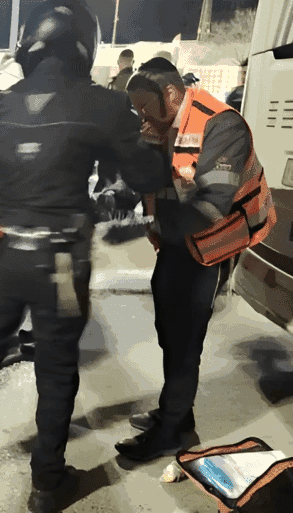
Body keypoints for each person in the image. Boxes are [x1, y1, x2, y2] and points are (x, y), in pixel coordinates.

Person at [0, 2, 173, 511]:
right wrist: (152, 140)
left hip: (0, 251)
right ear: (84, 46)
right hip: (60, 259)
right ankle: (46, 482)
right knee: (56, 366)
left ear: (29, 45)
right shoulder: (102, 103)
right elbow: (146, 176)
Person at [114, 57, 274, 462]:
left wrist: (140, 226)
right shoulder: (164, 124)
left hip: (212, 244)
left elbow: (212, 205)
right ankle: (176, 413)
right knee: (169, 330)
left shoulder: (223, 126)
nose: (142, 118)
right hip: (178, 240)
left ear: (171, 93)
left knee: (185, 338)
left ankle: (172, 433)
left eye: (145, 109)